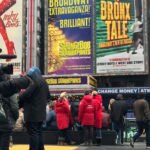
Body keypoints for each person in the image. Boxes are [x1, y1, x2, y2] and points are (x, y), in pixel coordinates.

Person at [18, 67, 51, 150]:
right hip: (41, 113)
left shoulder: (35, 82)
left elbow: (25, 95)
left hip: (33, 113)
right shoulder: (44, 82)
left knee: (33, 134)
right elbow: (48, 97)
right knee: (39, 132)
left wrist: (19, 97)